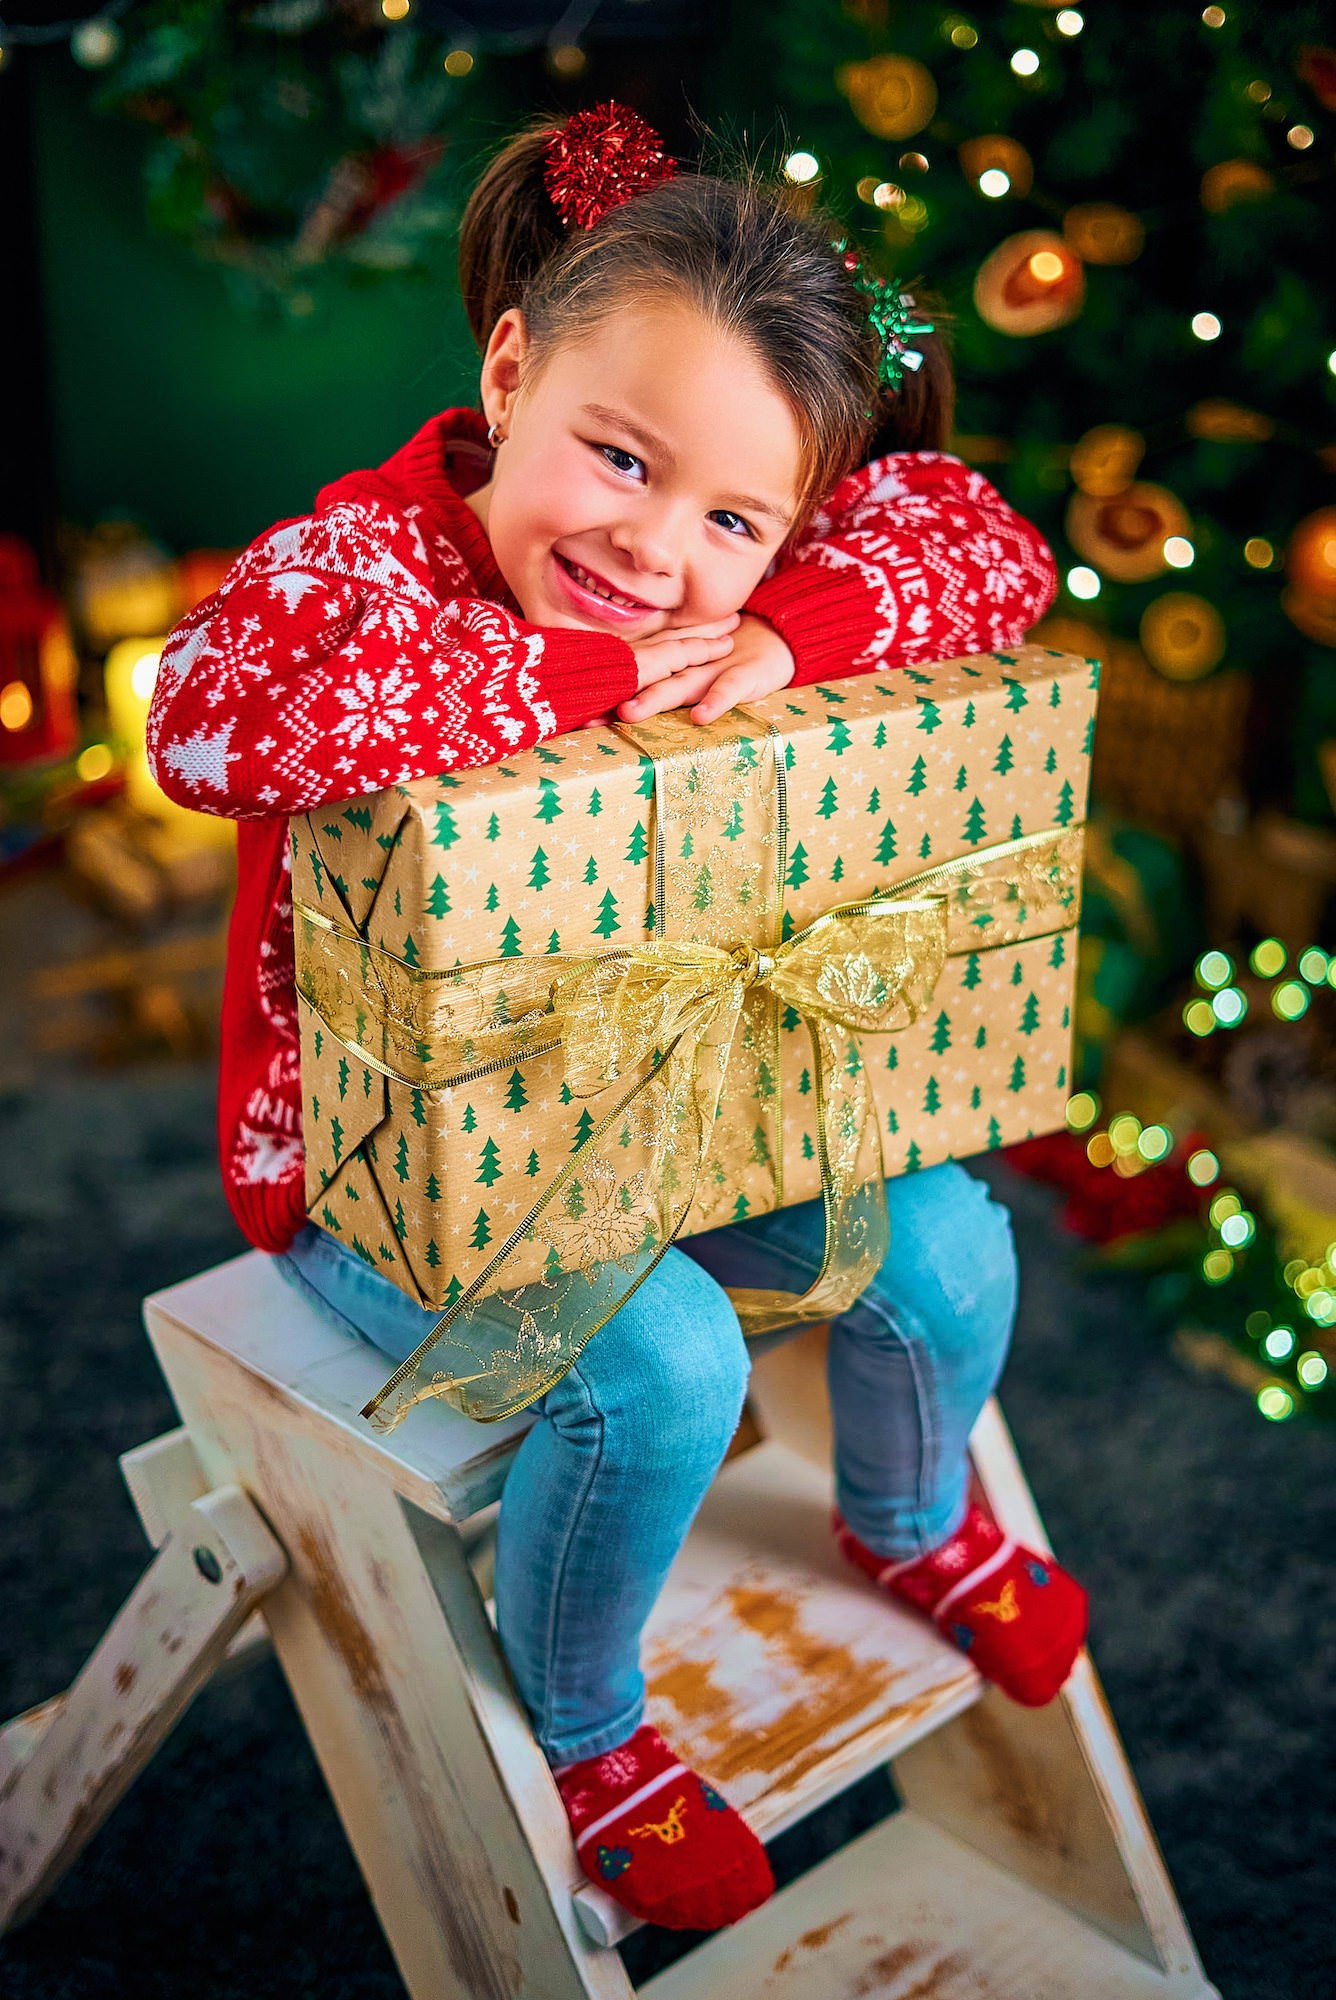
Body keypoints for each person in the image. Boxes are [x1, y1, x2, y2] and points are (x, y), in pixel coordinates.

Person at [148, 104, 1085, 1934]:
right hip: (380, 1160)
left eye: (733, 518)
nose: (657, 547)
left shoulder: (759, 562)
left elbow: (989, 548)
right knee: (663, 1368)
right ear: (510, 372)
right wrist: (581, 670)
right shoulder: (364, 563)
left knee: (950, 1245)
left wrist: (788, 630)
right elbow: (209, 714)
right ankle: (586, 1724)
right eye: (618, 457)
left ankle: (909, 1519)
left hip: (678, 1113)